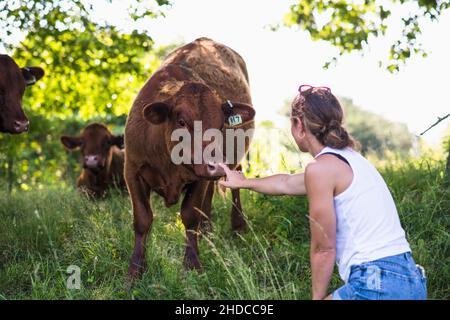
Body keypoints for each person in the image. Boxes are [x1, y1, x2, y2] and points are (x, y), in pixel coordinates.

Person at [218, 85, 427, 300]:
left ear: (298, 125)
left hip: (377, 283)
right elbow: (287, 183)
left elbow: (324, 249)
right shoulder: (351, 160)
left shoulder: (321, 169)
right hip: (412, 281)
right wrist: (244, 181)